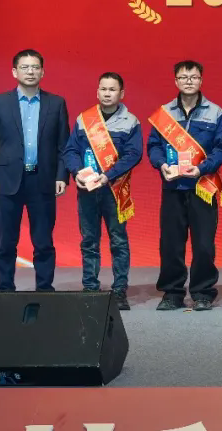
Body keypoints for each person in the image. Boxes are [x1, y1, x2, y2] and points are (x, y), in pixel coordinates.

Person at [0, 49, 69, 292]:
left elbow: (63, 146)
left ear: (43, 72)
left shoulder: (56, 103)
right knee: (6, 241)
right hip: (8, 181)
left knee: (43, 241)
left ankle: (45, 288)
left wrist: (62, 175)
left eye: (35, 67)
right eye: (25, 67)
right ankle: (5, 287)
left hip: (43, 180)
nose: (30, 72)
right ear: (14, 72)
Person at [146, 60, 222, 311]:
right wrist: (162, 165)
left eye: (193, 77)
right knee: (171, 244)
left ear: (201, 80)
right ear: (176, 81)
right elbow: (154, 146)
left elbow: (221, 148)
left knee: (204, 244)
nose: (188, 81)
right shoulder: (165, 113)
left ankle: (203, 292)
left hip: (202, 186)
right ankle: (172, 293)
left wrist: (201, 168)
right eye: (183, 77)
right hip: (173, 187)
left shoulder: (215, 112)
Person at [61, 72, 142, 310]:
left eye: (112, 89)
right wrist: (77, 172)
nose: (107, 93)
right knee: (89, 240)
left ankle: (119, 291)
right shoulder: (84, 119)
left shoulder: (130, 121)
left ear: (121, 93)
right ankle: (90, 288)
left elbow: (133, 154)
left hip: (114, 190)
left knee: (118, 241)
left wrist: (108, 175)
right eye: (103, 89)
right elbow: (70, 151)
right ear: (97, 92)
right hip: (87, 189)